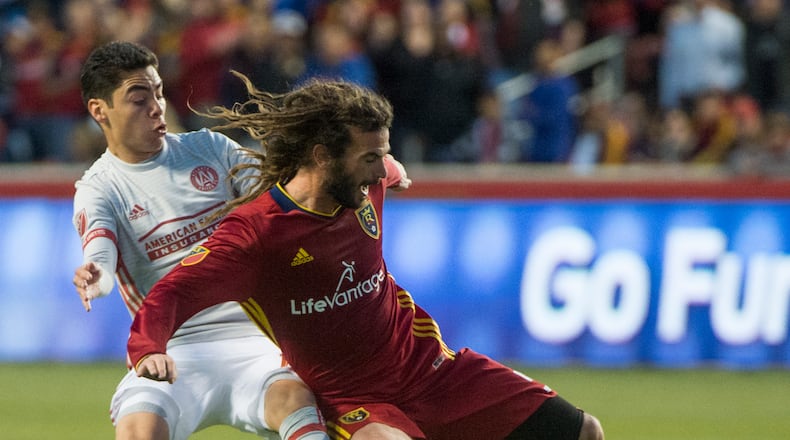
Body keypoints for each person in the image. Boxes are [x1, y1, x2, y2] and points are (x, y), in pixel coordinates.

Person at [125, 76, 604, 439]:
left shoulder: (366, 181)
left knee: (585, 432)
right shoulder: (255, 235)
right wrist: (148, 349)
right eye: (369, 158)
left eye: (382, 156)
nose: (379, 170)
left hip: (433, 368)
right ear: (321, 156)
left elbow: (386, 167)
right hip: (355, 400)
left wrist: (392, 168)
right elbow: (174, 291)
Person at [71, 41, 328, 440]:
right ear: (99, 111)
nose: (156, 106)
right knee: (138, 430)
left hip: (256, 337)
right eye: (139, 99)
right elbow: (100, 254)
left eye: (158, 92)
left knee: (299, 406)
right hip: (173, 350)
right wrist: (96, 275)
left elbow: (280, 208)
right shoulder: (99, 189)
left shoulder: (211, 148)